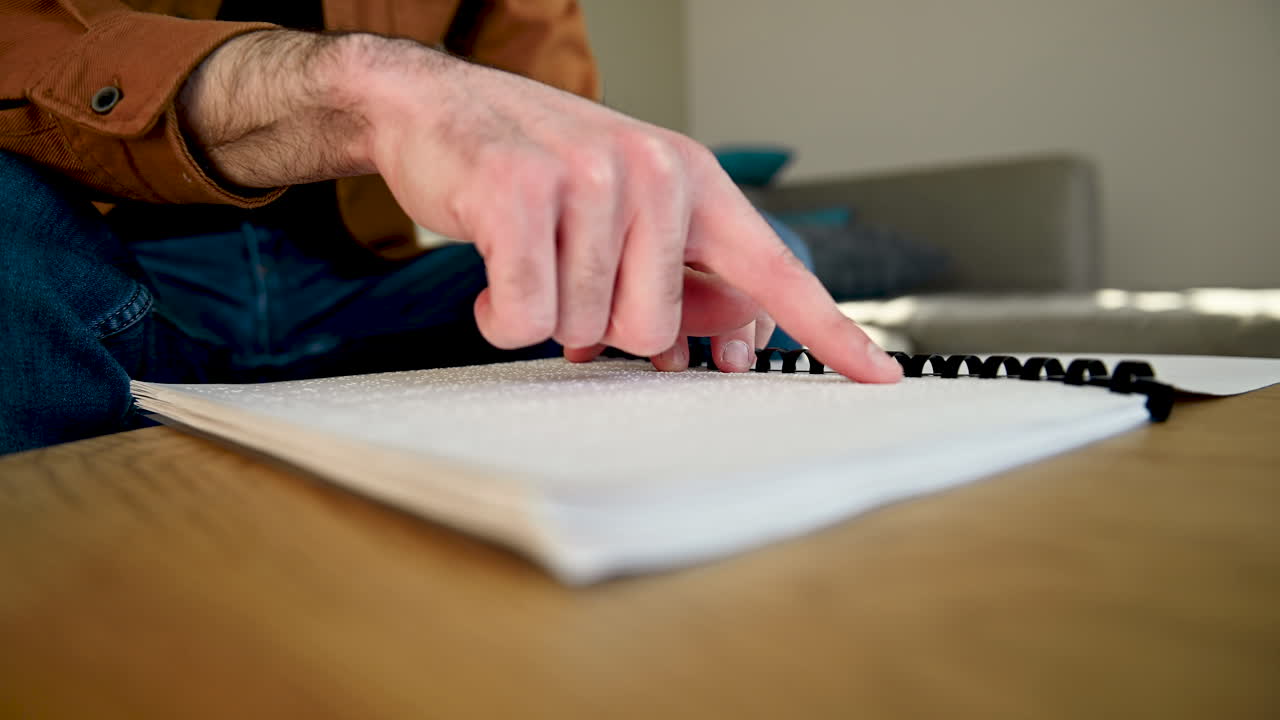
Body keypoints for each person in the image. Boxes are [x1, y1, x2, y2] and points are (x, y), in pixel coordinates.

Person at [0, 0, 901, 454]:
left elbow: (554, 115)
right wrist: (354, 89)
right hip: (108, 293)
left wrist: (622, 225)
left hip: (368, 298)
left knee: (739, 273)